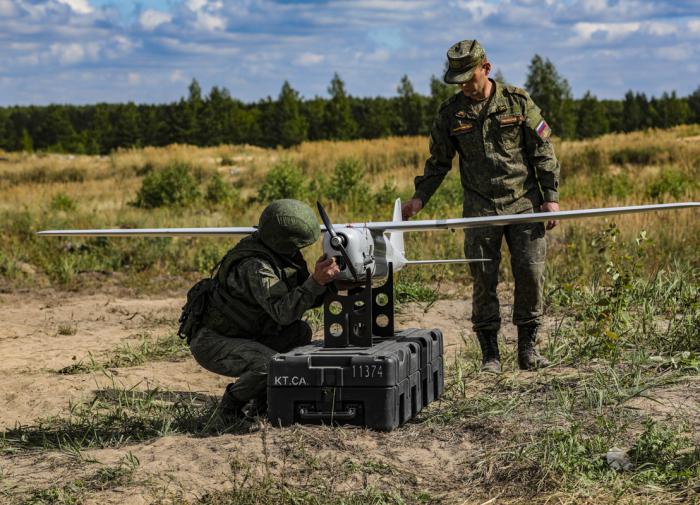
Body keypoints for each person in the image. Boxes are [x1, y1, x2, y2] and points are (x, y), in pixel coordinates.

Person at [401, 39, 561, 374]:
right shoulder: (451, 114)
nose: (464, 87)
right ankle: (490, 356)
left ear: (485, 68)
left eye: (469, 79)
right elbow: (438, 163)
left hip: (523, 207)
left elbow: (542, 151)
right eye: (457, 81)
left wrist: (550, 197)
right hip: (480, 210)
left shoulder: (517, 102)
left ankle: (527, 350)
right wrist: (419, 199)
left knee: (530, 274)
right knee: (483, 280)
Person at [187, 199, 340, 418]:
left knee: (299, 333)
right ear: (283, 240)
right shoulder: (256, 266)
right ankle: (230, 407)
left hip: (246, 333)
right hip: (213, 342)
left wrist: (330, 283)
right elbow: (284, 313)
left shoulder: (281, 254)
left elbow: (301, 298)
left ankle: (263, 401)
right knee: (270, 365)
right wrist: (316, 282)